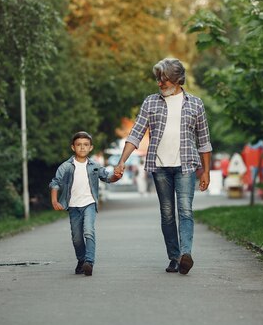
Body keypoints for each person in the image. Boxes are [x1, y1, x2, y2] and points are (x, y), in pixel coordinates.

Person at [115, 58, 212, 275]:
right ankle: (175, 257)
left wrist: (206, 170)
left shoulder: (195, 104)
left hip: (186, 166)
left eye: (164, 79)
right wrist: (122, 161)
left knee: (185, 210)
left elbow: (204, 140)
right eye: (158, 79)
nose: (160, 83)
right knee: (167, 214)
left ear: (177, 79)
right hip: (160, 168)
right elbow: (136, 134)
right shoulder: (151, 102)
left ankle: (186, 254)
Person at [50, 131, 121, 276]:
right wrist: (54, 200)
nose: (82, 147)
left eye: (85, 145)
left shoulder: (94, 165)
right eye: (79, 145)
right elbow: (55, 182)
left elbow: (107, 177)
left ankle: (89, 262)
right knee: (76, 238)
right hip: (73, 206)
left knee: (88, 231)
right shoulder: (66, 166)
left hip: (89, 204)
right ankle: (81, 260)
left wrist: (117, 176)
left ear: (91, 147)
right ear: (73, 147)